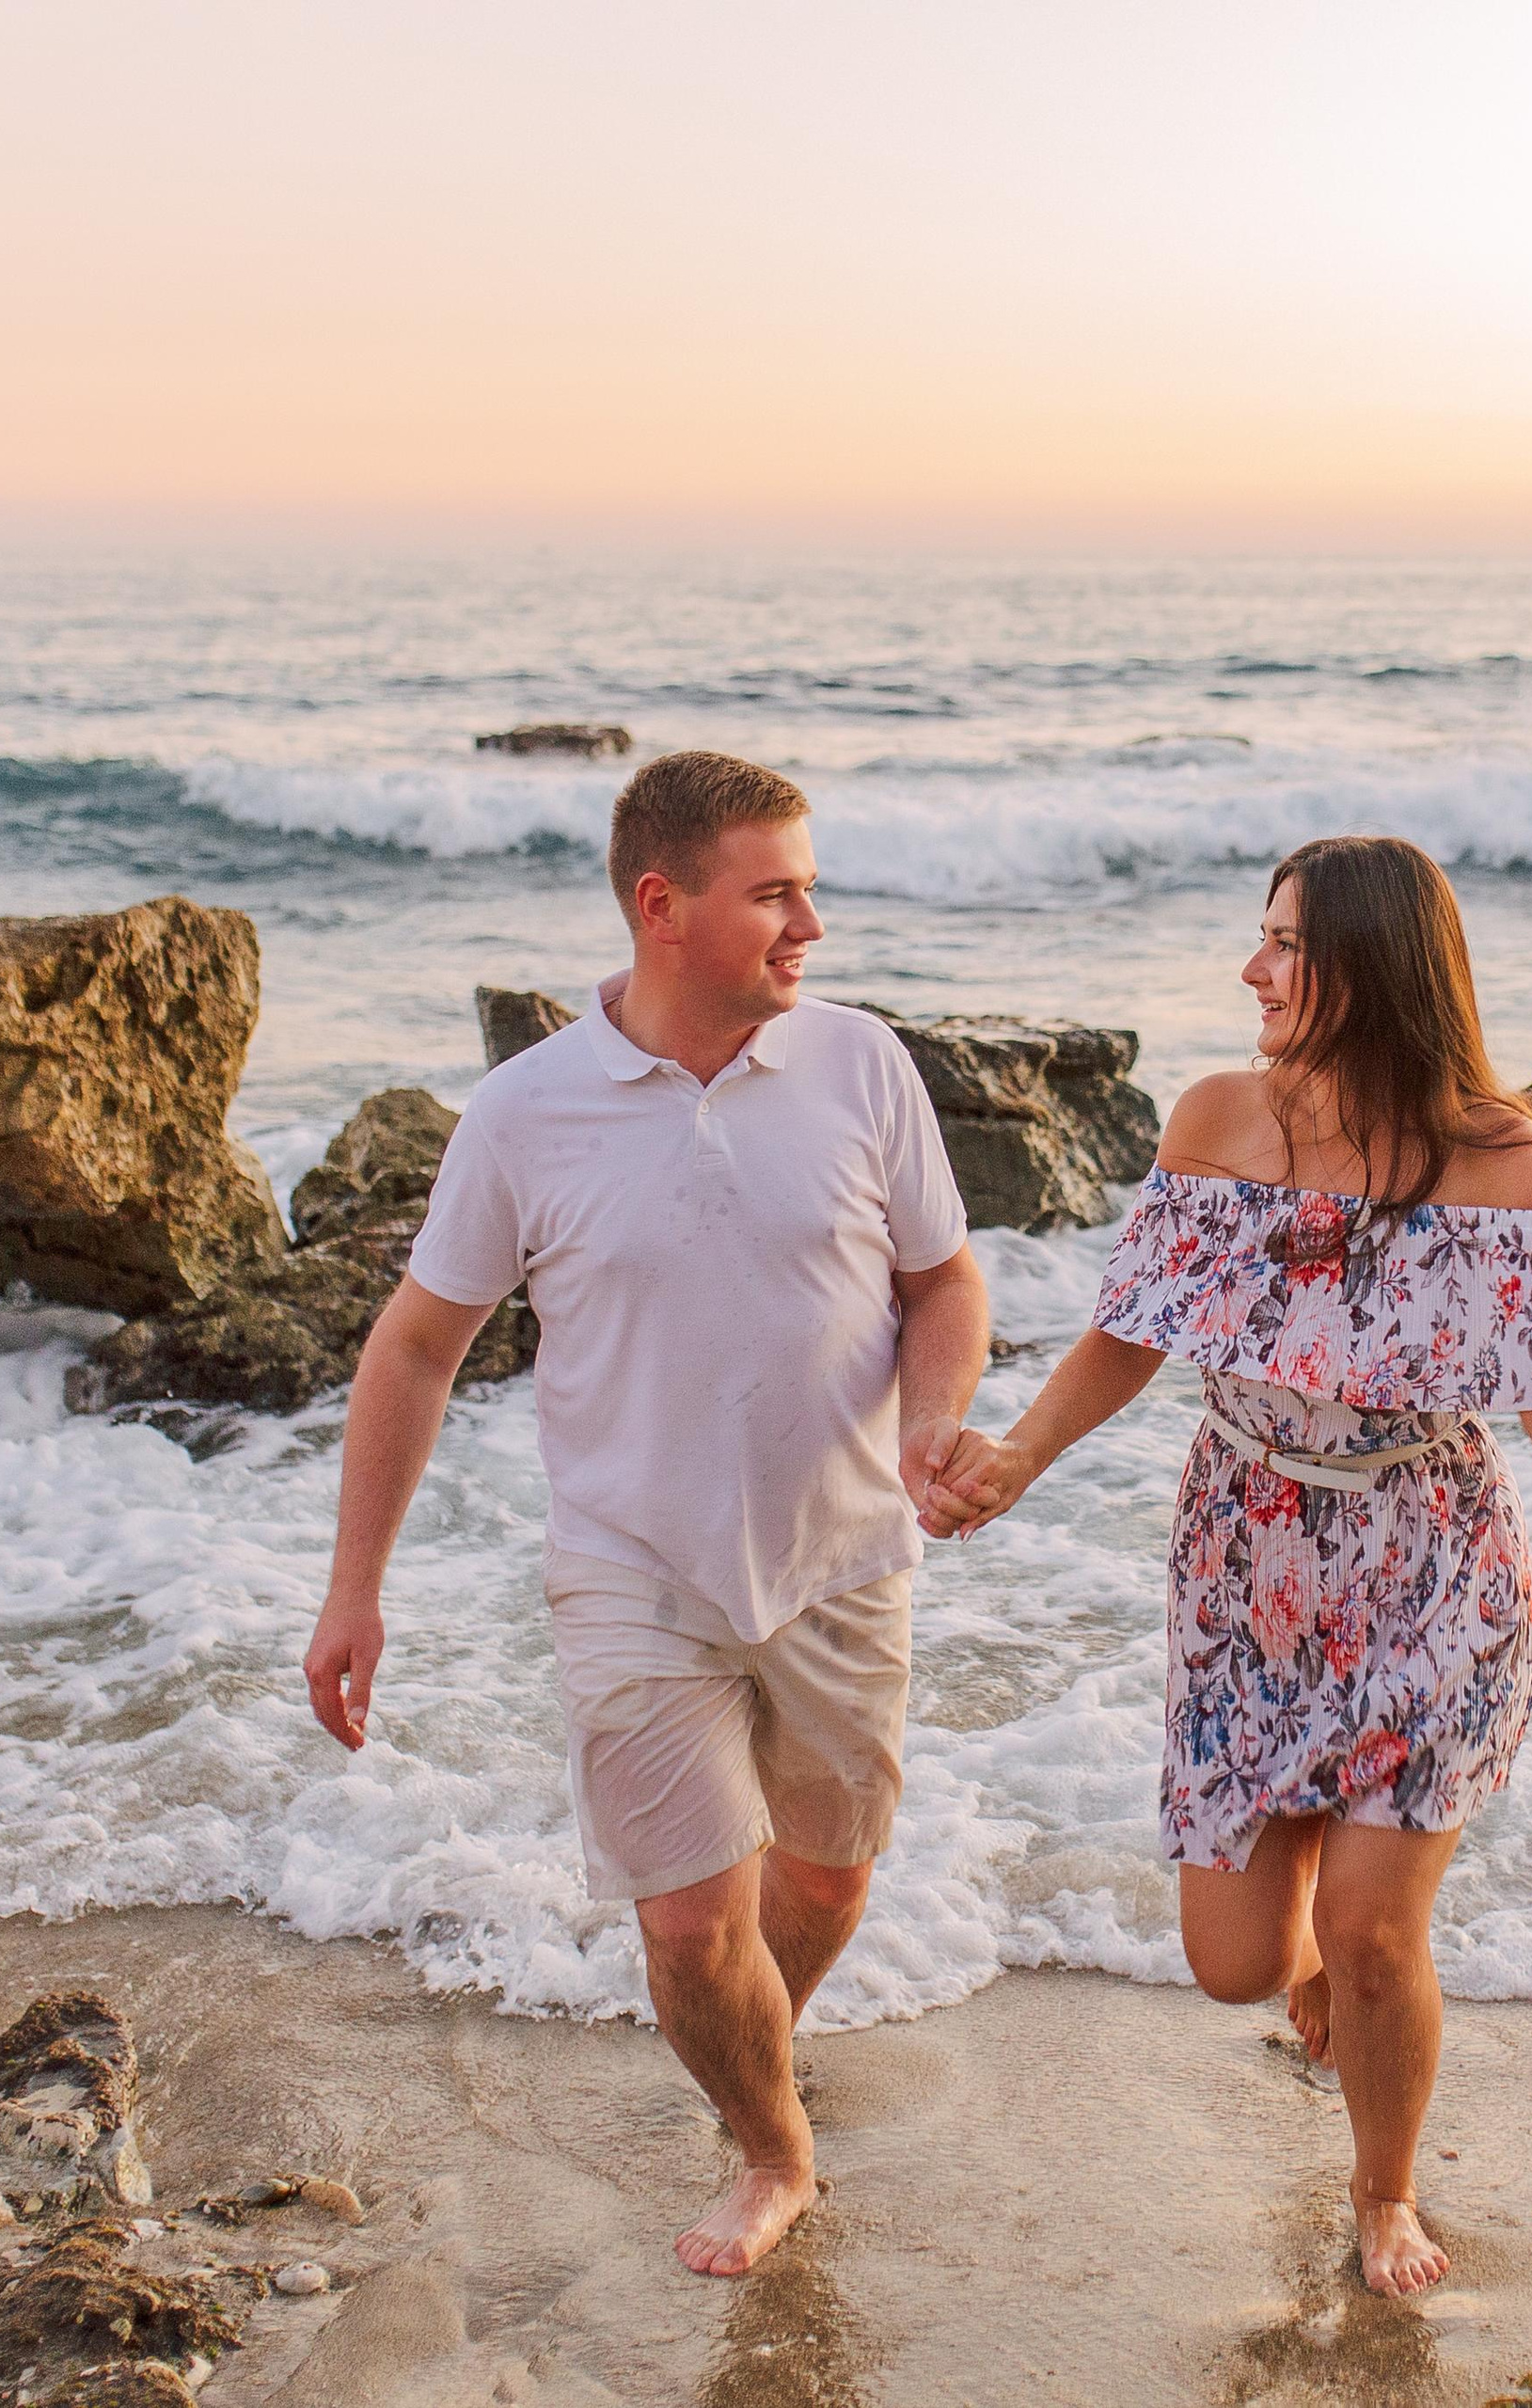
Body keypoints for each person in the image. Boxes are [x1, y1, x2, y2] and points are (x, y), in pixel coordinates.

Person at [924, 834, 1532, 2298]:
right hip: (1246, 1566)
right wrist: (1017, 1458)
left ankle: (1384, 2193)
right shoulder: (1221, 1120)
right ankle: (1310, 1985)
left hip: (1433, 1565)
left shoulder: (1499, 1155)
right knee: (1236, 1961)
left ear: (1370, 964)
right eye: (1261, 938)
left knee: (1371, 1929)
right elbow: (1137, 1326)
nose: (1253, 970)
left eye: (1285, 945)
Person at [301, 751, 991, 2279]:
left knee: (822, 1881)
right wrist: (355, 1590)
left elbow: (944, 1280)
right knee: (690, 1927)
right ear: (661, 906)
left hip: (844, 1551)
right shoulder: (526, 1115)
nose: (812, 922)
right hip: (631, 1565)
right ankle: (769, 2149)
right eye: (777, 893)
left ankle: (752, 2046)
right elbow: (417, 1342)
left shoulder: (862, 1063)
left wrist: (935, 1427)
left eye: (810, 885)